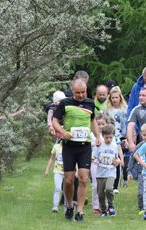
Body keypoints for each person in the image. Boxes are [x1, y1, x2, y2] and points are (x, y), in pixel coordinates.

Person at [53, 79, 101, 222]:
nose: (81, 95)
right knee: (68, 180)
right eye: (77, 92)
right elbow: (55, 121)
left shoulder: (90, 103)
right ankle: (69, 205)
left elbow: (93, 121)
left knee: (83, 178)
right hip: (69, 145)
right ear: (72, 90)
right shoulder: (65, 103)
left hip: (84, 146)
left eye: (83, 92)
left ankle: (79, 211)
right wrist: (62, 131)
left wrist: (97, 136)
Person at [93, 124, 123, 217]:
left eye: (110, 137)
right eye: (107, 137)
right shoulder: (99, 146)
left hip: (111, 172)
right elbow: (94, 155)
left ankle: (111, 206)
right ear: (103, 136)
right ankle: (103, 210)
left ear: (113, 136)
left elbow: (117, 158)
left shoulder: (114, 146)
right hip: (100, 174)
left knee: (109, 188)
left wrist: (118, 161)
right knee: (100, 194)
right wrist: (92, 157)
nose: (109, 139)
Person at [104, 86, 128, 192]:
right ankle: (107, 181)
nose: (114, 100)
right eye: (112, 98)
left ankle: (116, 185)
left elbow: (127, 125)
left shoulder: (125, 109)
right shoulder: (107, 111)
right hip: (110, 136)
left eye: (116, 97)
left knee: (118, 160)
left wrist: (127, 138)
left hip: (120, 137)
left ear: (120, 98)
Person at [127, 123, 146, 214]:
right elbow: (132, 158)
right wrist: (129, 171)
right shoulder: (139, 146)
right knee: (141, 191)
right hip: (141, 171)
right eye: (144, 135)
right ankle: (142, 207)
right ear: (141, 134)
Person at [90, 114, 108, 214]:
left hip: (106, 164)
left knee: (105, 185)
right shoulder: (91, 135)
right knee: (95, 184)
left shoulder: (108, 136)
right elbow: (87, 148)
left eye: (102, 124)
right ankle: (96, 206)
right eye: (98, 124)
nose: (100, 126)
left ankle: (105, 205)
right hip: (94, 162)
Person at [44, 136, 64, 213]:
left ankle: (68, 206)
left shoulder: (70, 148)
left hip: (67, 172)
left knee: (67, 190)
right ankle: (55, 207)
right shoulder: (56, 147)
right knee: (58, 188)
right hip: (58, 171)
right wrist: (47, 170)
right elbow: (51, 159)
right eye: (61, 139)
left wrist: (76, 171)